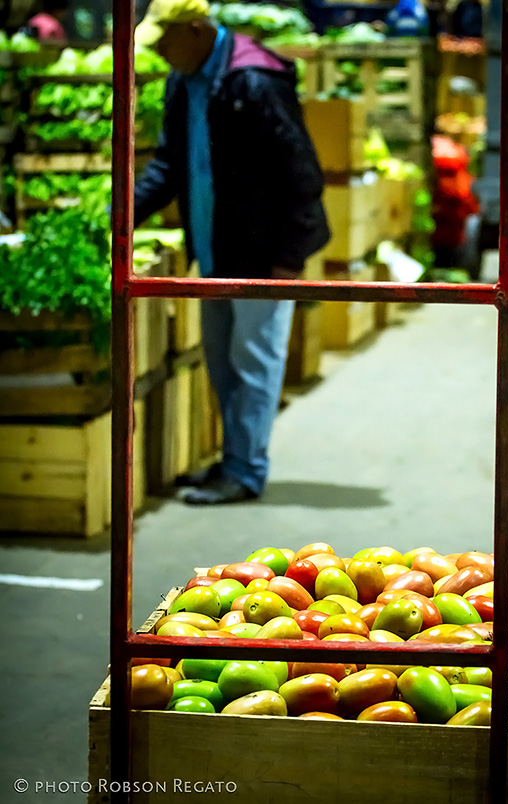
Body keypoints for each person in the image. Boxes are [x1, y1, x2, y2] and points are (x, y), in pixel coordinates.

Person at [133, 0, 330, 504]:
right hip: (214, 246)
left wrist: (288, 258)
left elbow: (300, 172)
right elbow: (170, 165)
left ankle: (245, 471)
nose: (158, 50)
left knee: (254, 362)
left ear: (196, 31)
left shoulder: (254, 81)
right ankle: (233, 460)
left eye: (164, 39)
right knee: (221, 362)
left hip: (262, 254)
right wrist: (121, 216)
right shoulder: (184, 80)